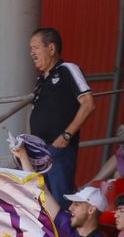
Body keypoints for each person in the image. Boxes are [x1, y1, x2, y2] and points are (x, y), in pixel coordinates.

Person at [28, 26, 94, 201]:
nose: (31, 53)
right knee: (43, 204)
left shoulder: (67, 69)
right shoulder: (40, 80)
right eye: (30, 49)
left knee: (61, 203)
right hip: (39, 153)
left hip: (58, 150)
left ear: (51, 48)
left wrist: (66, 136)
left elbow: (88, 103)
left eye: (35, 47)